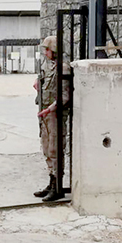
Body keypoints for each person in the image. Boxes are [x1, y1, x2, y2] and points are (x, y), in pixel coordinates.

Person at [34, 35, 71, 202]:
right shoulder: (49, 67)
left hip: (54, 115)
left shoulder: (63, 68)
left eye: (47, 49)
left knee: (55, 150)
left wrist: (50, 109)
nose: (45, 52)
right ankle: (51, 181)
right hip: (46, 115)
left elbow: (64, 96)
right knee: (47, 149)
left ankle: (58, 185)